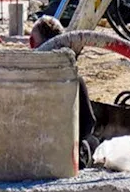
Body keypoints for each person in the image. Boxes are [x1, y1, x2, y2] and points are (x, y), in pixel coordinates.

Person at [29, 16, 99, 167]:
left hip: (29, 157)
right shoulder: (73, 79)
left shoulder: (21, 79)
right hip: (65, 161)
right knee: (93, 142)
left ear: (33, 43)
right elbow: (88, 123)